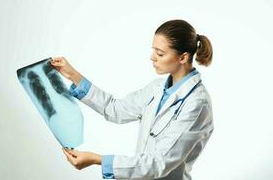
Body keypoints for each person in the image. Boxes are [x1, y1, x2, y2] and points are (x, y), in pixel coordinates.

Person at [50, 19, 214, 180]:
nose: (152, 57)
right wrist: (73, 75)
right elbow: (115, 109)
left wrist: (97, 160)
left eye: (160, 53)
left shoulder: (197, 103)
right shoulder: (157, 88)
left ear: (183, 58)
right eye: (153, 50)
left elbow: (159, 163)